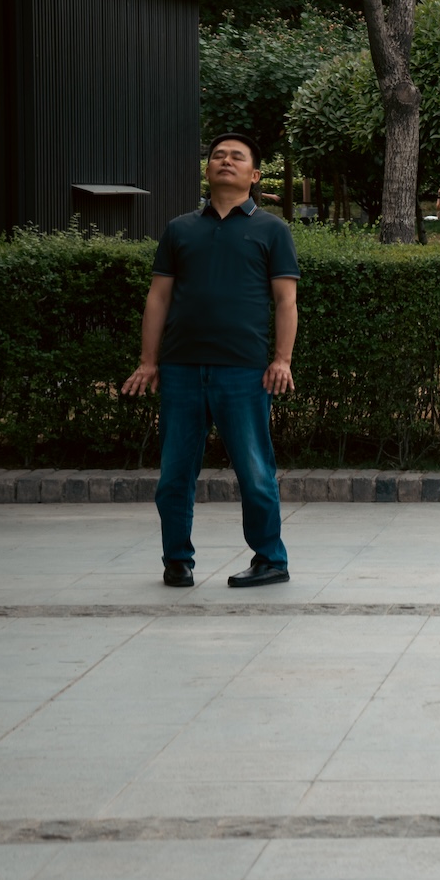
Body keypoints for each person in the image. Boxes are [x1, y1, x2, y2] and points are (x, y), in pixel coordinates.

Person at [122, 133, 300, 588]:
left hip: (244, 370)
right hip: (181, 369)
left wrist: (282, 359)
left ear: (254, 175)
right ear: (207, 170)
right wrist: (148, 361)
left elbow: (286, 301)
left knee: (255, 471)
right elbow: (158, 298)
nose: (225, 161)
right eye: (218, 155)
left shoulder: (272, 230)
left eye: (237, 157)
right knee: (174, 473)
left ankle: (271, 559)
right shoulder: (180, 229)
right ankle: (176, 560)